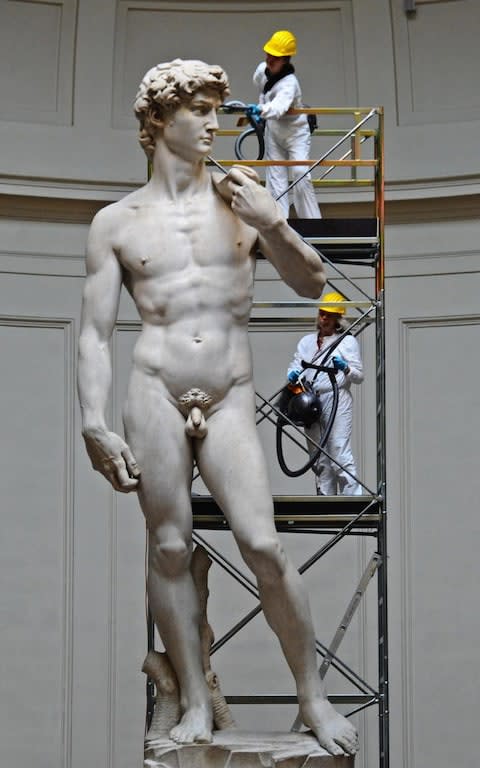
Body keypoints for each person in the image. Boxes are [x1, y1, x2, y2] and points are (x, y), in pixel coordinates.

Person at [77, 58, 358, 756]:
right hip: (154, 389)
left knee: (262, 545)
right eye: (198, 109)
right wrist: (93, 421)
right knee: (169, 548)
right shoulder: (116, 221)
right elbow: (94, 333)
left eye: (215, 108)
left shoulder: (244, 198)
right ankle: (196, 699)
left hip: (229, 391)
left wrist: (275, 223)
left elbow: (310, 282)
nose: (213, 122)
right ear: (157, 122)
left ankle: (312, 697)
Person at [287, 292, 364, 496]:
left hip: (336, 397)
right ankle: (325, 498)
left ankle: (352, 499)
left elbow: (358, 376)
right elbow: (296, 364)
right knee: (318, 457)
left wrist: (345, 368)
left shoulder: (346, 342)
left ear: (338, 319)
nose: (324, 319)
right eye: (322, 313)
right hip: (311, 401)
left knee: (338, 450)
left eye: (329, 315)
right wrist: (292, 374)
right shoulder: (306, 342)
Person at [252, 30, 320, 219]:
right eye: (269, 54)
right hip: (274, 131)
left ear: (285, 60)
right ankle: (279, 222)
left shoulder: (290, 83)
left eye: (275, 57)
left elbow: (278, 107)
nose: (270, 59)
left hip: (295, 133)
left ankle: (312, 223)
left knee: (300, 173)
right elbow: (259, 85)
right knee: (276, 180)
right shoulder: (262, 71)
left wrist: (260, 110)